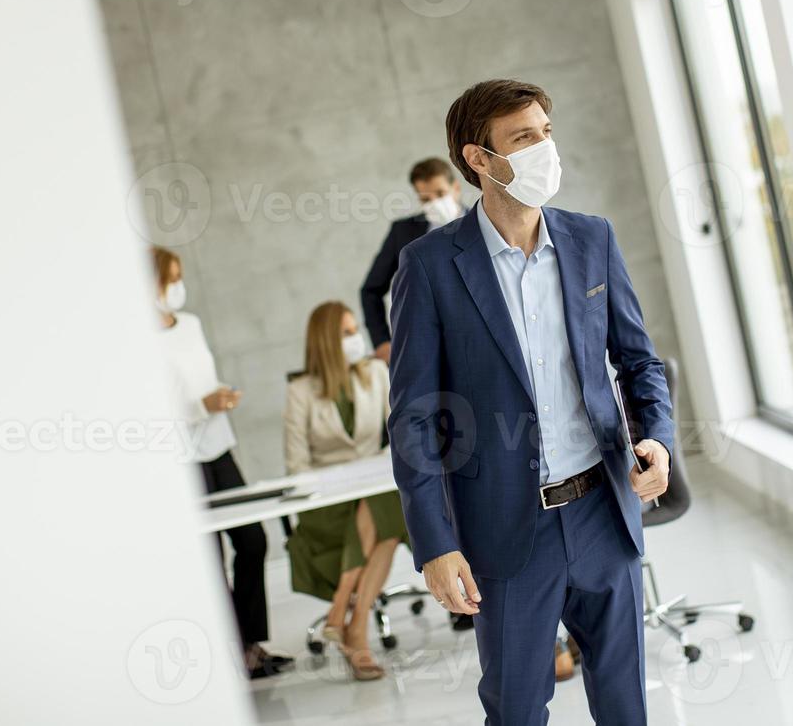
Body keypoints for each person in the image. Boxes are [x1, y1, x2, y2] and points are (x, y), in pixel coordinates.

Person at [387, 79, 673, 724]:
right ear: (479, 160)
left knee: (627, 707)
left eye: (546, 133)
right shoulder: (430, 266)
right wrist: (434, 543)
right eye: (523, 138)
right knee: (517, 710)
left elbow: (638, 362)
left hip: (605, 510)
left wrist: (656, 439)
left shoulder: (590, 238)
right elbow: (413, 419)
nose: (544, 149)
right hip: (507, 528)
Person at [151, 247, 290, 679]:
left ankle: (250, 644)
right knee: (208, 558)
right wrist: (197, 405)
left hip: (217, 445)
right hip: (181, 457)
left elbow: (200, 378)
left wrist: (218, 396)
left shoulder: (189, 324)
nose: (178, 287)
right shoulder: (137, 339)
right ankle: (233, 653)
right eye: (170, 279)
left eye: (179, 277)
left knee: (252, 541)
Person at [283, 301, 411, 681]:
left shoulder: (376, 372)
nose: (356, 339)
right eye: (347, 333)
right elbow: (296, 465)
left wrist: (373, 469)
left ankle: (347, 622)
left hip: (373, 488)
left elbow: (399, 435)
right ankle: (348, 623)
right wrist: (337, 485)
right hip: (329, 503)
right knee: (387, 521)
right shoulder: (301, 390)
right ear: (325, 341)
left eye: (356, 330)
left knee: (384, 510)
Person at [360, 157, 465, 365]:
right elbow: (371, 289)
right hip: (424, 348)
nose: (434, 203)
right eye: (425, 199)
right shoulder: (403, 232)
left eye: (441, 194)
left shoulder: (485, 224)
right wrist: (382, 342)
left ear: (456, 188)